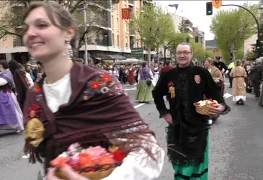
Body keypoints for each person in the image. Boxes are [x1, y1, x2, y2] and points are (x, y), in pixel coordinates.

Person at [22, 2, 164, 179]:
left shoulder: (98, 83)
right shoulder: (34, 95)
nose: (30, 33)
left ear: (68, 32)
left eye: (42, 25)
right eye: (26, 28)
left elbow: (149, 151)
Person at [153, 42, 230, 180]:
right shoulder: (168, 75)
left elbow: (214, 93)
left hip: (198, 125)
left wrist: (222, 105)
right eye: (179, 52)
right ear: (175, 55)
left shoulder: (201, 72)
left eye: (185, 52)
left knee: (197, 158)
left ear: (191, 54)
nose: (182, 55)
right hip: (177, 125)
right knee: (179, 158)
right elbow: (157, 94)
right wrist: (165, 113)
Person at [0, 60, 24, 139]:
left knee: (11, 112)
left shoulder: (6, 73)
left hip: (5, 95)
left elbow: (0, 82)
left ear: (1, 65)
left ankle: (17, 126)